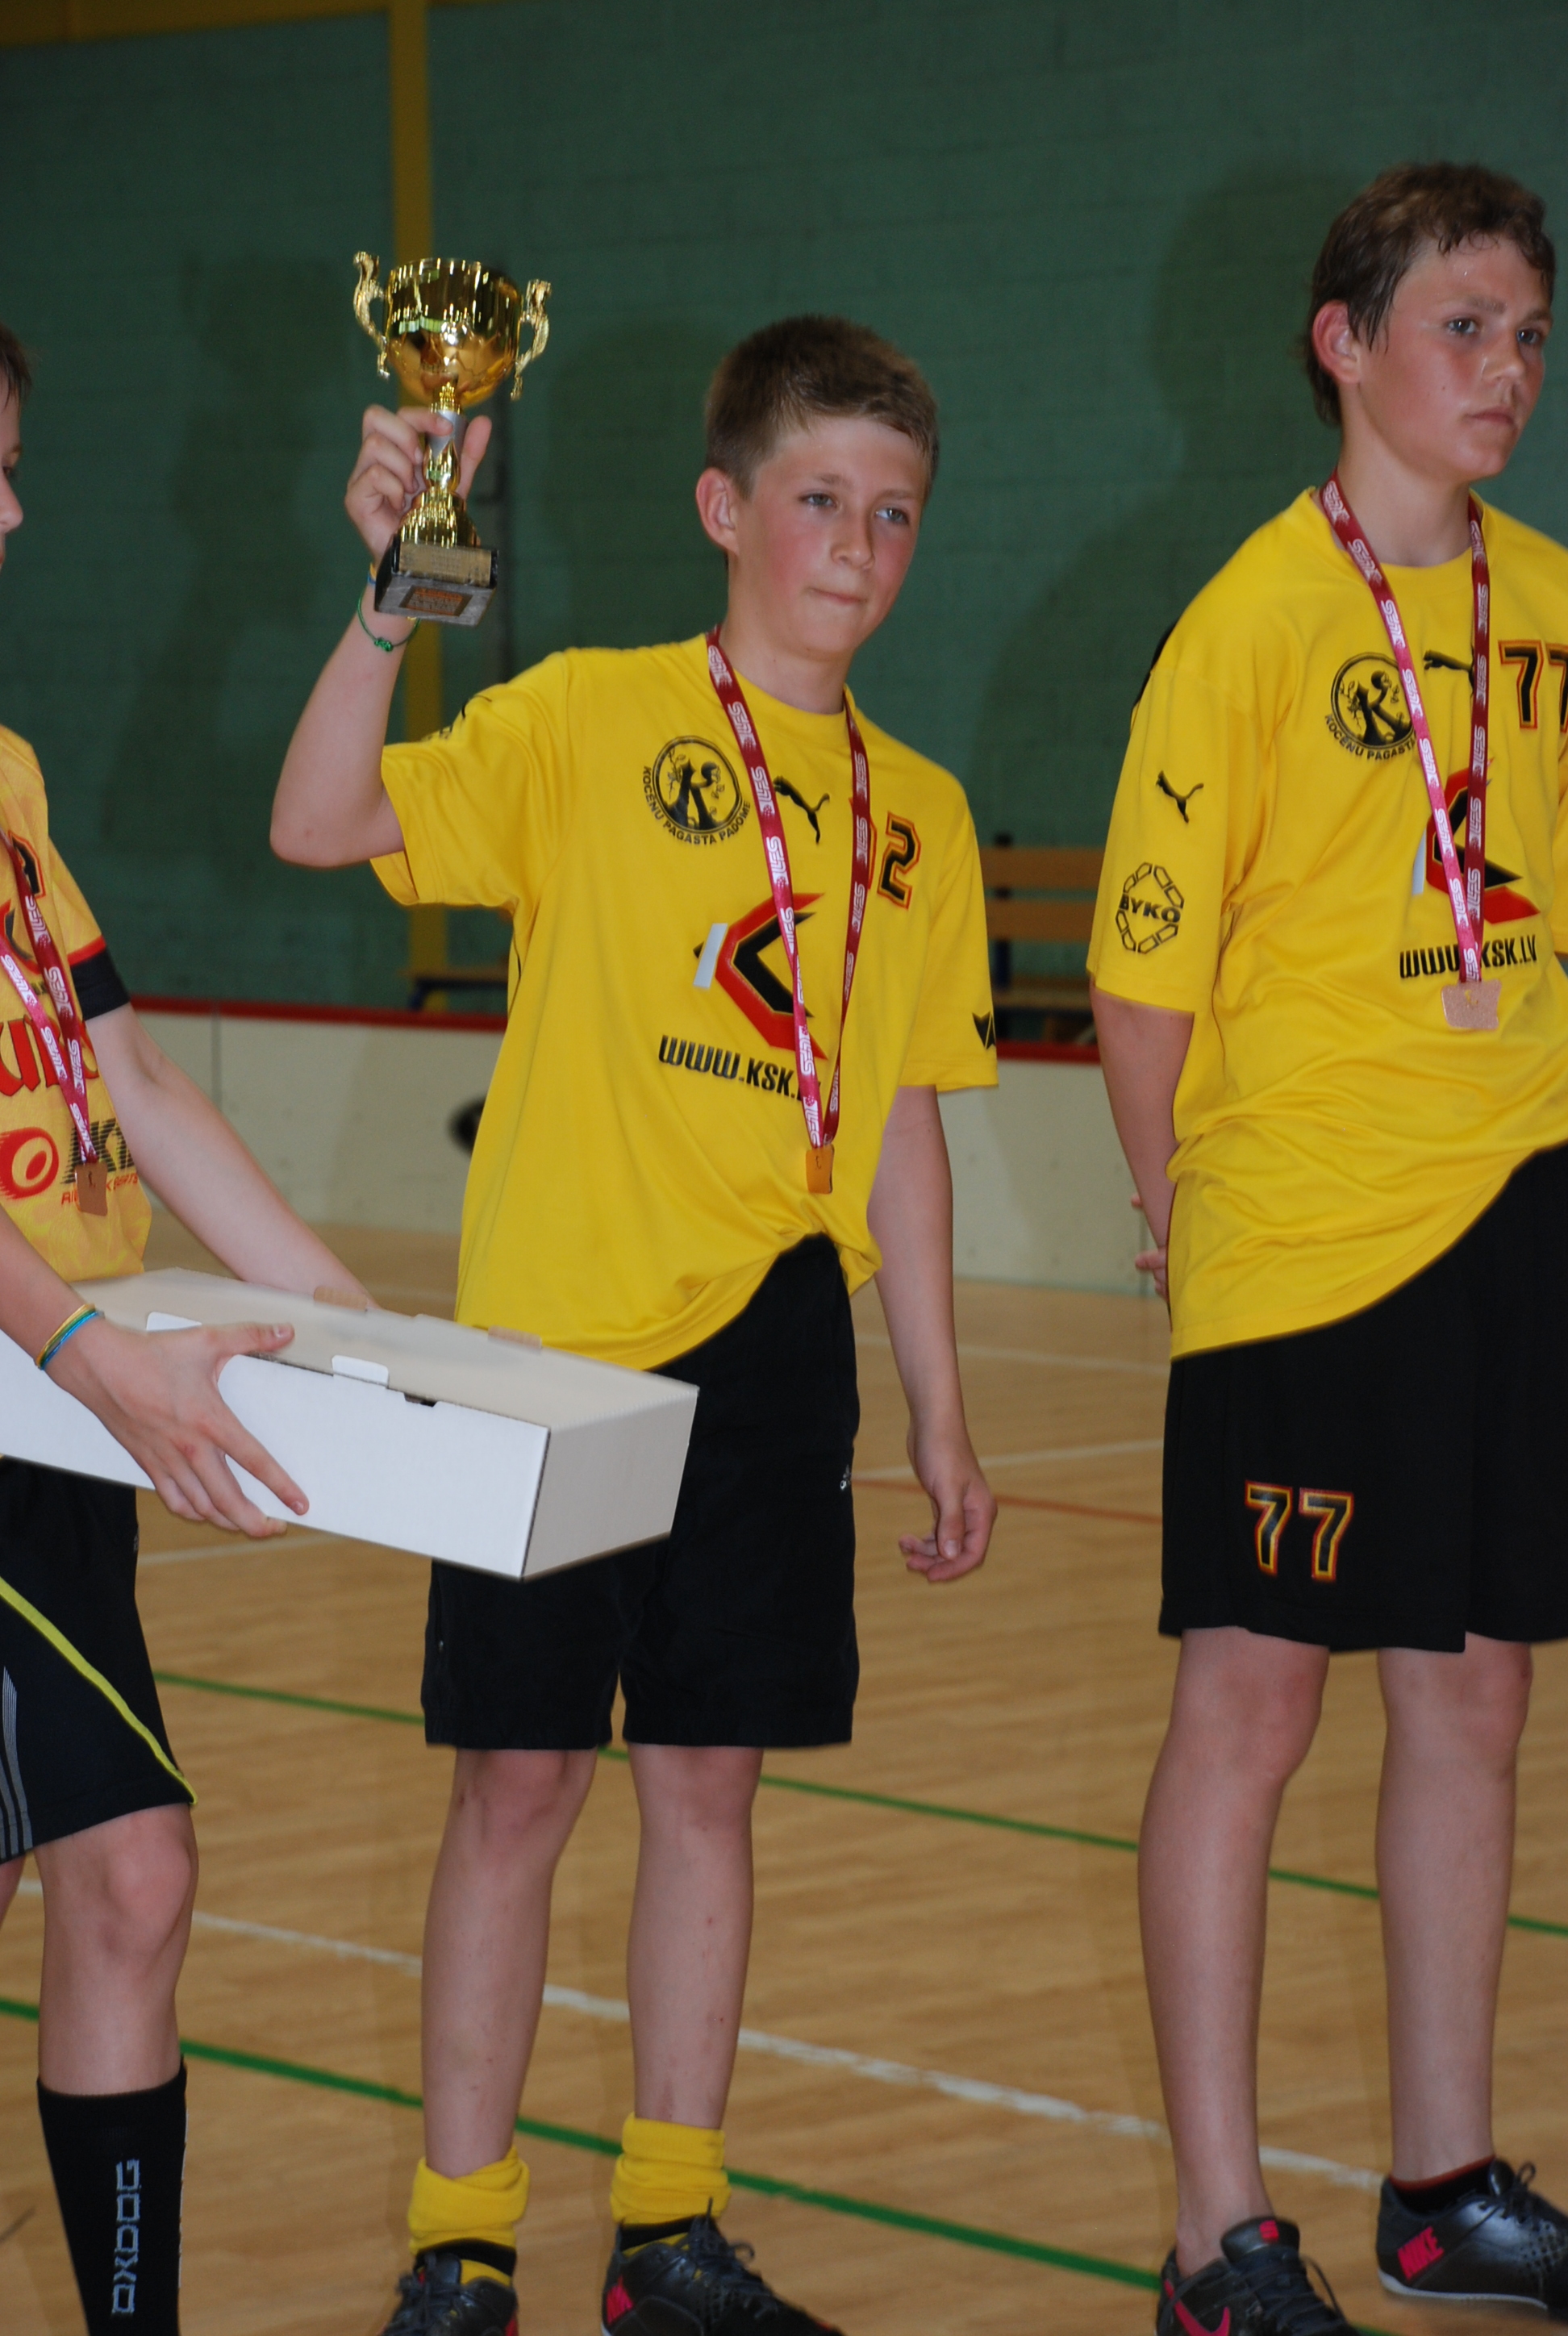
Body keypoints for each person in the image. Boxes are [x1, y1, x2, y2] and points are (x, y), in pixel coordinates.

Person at [270, 312, 999, 2336]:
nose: (857, 545)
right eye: (819, 500)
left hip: (777, 1347)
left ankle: (669, 2227)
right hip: (551, 1352)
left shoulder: (920, 813)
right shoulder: (588, 717)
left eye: (895, 514)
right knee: (517, 1791)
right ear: (722, 508)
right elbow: (318, 819)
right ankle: (461, 2234)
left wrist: (940, 1404)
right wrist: (391, 597)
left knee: (708, 1789)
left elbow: (906, 1126)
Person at [1089, 161, 1568, 2336]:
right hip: (1306, 1246)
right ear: (1343, 345)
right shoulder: (1252, 623)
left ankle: (1444, 2185)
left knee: (1478, 1690)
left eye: (1529, 334)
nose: (1508, 369)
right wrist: (1185, 1223)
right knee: (1254, 1703)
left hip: (1518, 1208)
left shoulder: (1549, 601)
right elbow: (1142, 991)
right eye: (1464, 325)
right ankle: (1218, 2236)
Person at [0, 319, 373, 2334]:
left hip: (51, 1409)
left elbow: (131, 1080)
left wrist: (352, 1313)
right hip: (46, 1373)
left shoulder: (8, 777)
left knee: (129, 1883)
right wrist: (96, 1359)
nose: (12, 512)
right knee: (110, 1869)